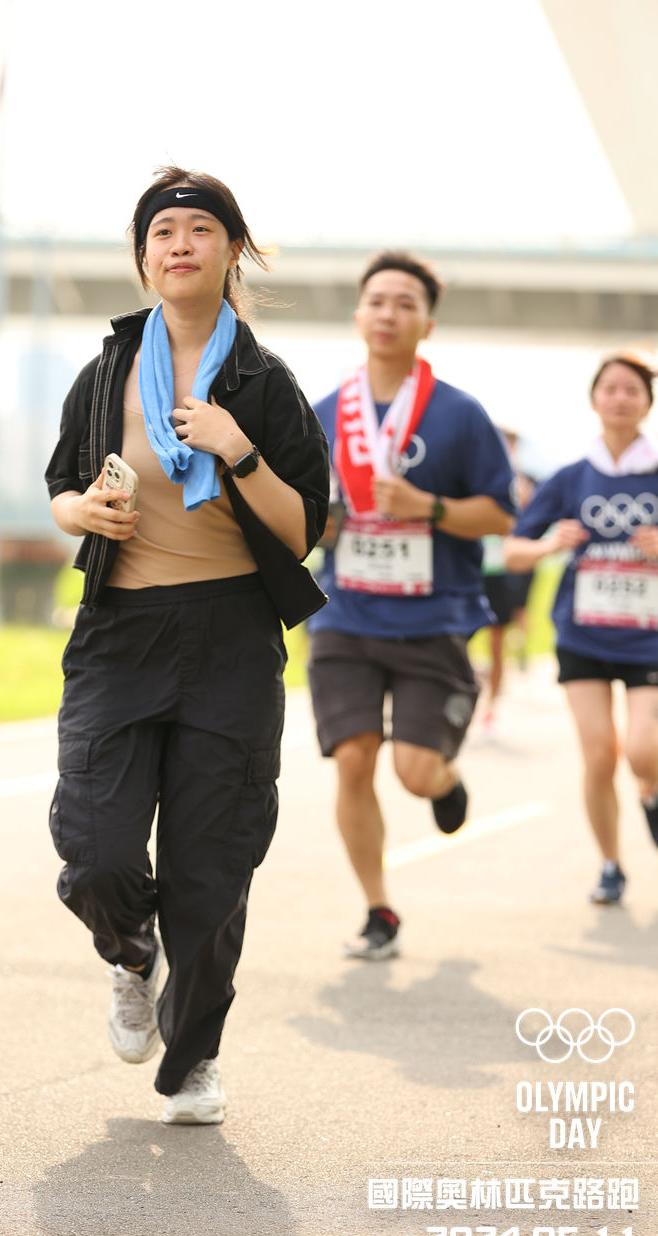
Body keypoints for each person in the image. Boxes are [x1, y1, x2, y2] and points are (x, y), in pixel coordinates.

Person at [44, 166, 329, 1124]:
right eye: (162, 232)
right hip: (119, 633)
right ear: (143, 257)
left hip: (230, 638)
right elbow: (61, 487)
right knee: (97, 848)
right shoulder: (106, 373)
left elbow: (300, 530)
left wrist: (235, 447)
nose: (179, 245)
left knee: (212, 868)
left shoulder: (263, 382)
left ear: (231, 250)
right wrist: (81, 511)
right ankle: (131, 955)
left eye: (199, 229)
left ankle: (195, 1055)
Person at [307, 250, 516, 959]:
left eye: (405, 303)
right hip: (345, 613)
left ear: (427, 323)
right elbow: (301, 514)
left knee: (415, 773)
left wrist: (428, 507)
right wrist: (318, 525)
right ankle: (378, 910)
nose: (388, 314)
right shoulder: (323, 413)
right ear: (357, 315)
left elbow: (499, 514)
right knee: (353, 760)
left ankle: (446, 781)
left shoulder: (459, 414)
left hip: (433, 618)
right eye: (377, 301)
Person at [504, 353, 658, 905]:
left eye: (632, 390)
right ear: (594, 399)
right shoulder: (571, 477)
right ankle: (611, 864)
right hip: (582, 635)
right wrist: (550, 544)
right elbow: (513, 549)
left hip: (648, 638)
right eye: (609, 388)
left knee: (643, 751)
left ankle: (650, 794)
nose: (620, 398)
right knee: (598, 757)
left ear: (647, 403)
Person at [477, 429, 537, 737]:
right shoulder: (474, 472)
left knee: (497, 644)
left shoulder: (520, 482)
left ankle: (491, 708)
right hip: (472, 570)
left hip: (500, 573)